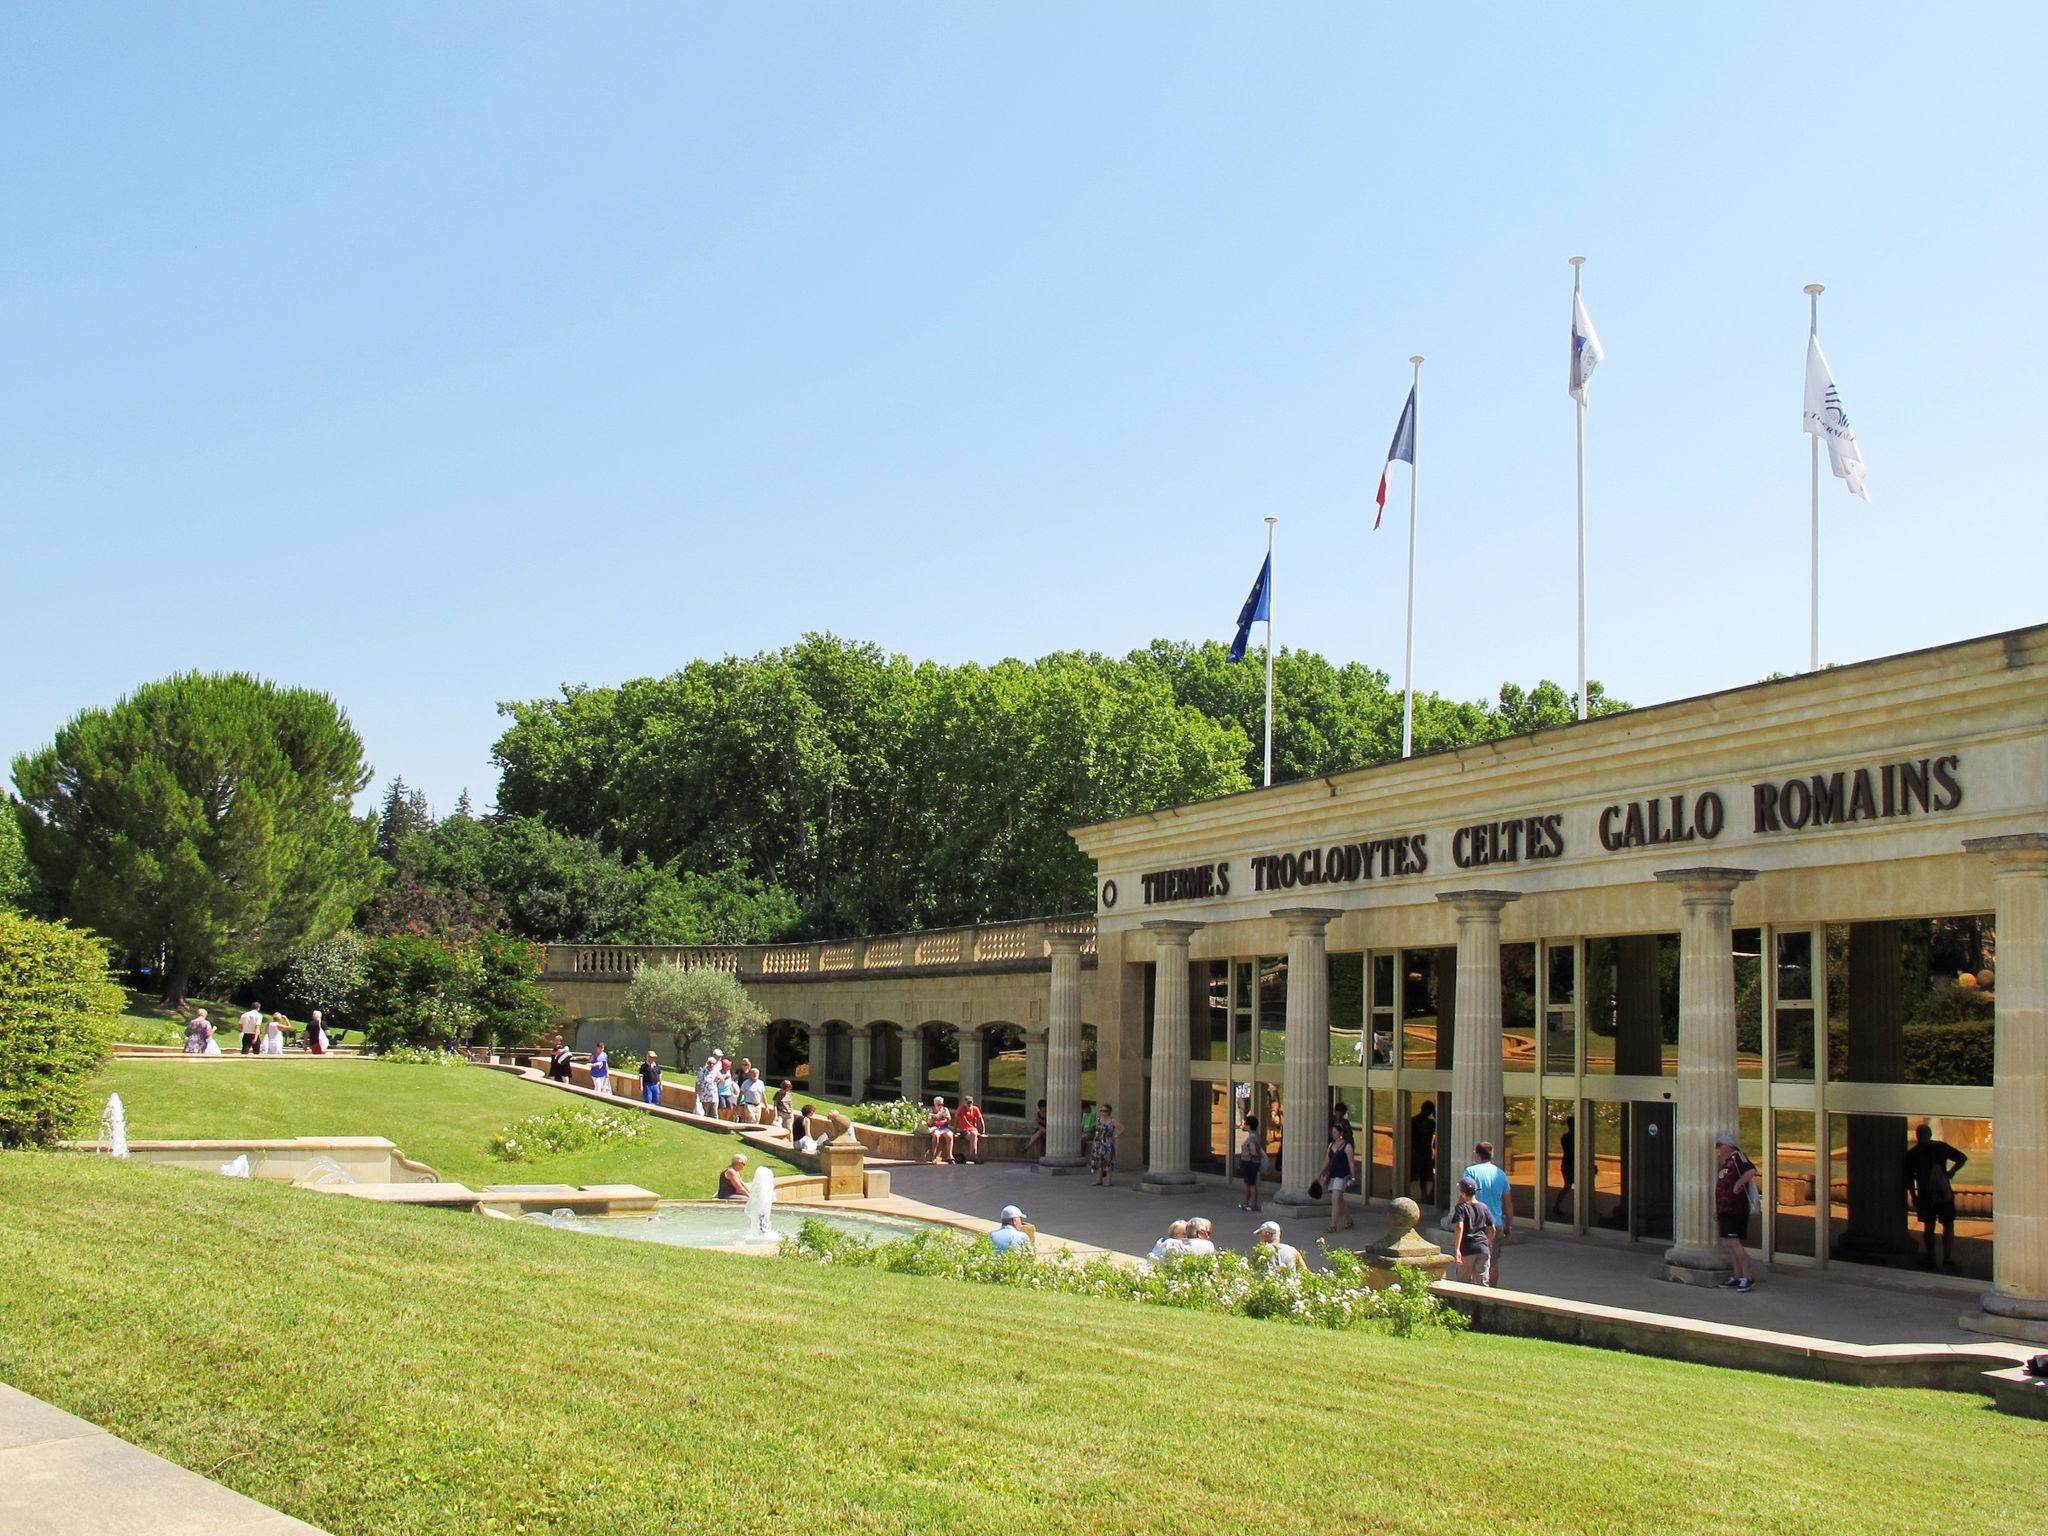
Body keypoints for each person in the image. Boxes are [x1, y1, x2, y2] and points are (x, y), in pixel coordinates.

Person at [1903, 1122, 1968, 1270]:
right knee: (1948, 1224)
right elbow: (1962, 1158)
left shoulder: (1912, 1154)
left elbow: (1908, 1178)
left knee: (1929, 1227)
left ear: (1917, 1136)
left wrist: (1914, 1195)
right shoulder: (1940, 1147)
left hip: (1925, 1195)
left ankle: (1932, 1259)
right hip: (1943, 1193)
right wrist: (1951, 1172)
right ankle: (1947, 1258)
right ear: (1930, 1135)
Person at [1460, 1141, 1513, 1286]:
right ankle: (1492, 1294)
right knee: (1492, 1262)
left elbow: (1463, 1196)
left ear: (1477, 1155)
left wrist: (1458, 1216)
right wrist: (1508, 1225)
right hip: (1495, 1224)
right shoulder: (1501, 1174)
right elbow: (1508, 1203)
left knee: (1470, 1260)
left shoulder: (1471, 1172)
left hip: (1473, 1224)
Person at [1713, 1131, 1759, 1291]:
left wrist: (1738, 1184)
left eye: (1719, 1145)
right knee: (1728, 1243)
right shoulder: (1725, 1164)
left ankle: (1748, 1276)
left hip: (1736, 1209)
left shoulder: (1738, 1157)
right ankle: (1737, 1275)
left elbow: (1751, 1170)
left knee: (1734, 1242)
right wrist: (1717, 1210)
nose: (1717, 1149)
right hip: (1725, 1209)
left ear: (1728, 1145)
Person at [1449, 1176, 1494, 1284]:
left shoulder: (1461, 1207)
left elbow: (1459, 1227)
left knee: (1463, 1282)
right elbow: (1492, 1228)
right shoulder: (1484, 1207)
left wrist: (1457, 1249)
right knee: (1482, 1282)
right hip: (1482, 1247)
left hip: (1467, 1248)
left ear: (1462, 1192)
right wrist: (1489, 1244)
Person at [1317, 1125, 1357, 1232]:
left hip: (1342, 1175)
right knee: (1340, 1199)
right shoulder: (1331, 1145)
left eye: (1335, 1132)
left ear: (1341, 1133)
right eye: (1332, 1132)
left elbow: (1351, 1162)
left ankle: (1333, 1225)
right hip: (1333, 1175)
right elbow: (1327, 1160)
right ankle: (1349, 1220)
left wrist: (1353, 1176)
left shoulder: (1347, 1146)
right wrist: (1321, 1173)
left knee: (1335, 1198)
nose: (1333, 1134)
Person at [1409, 1100, 1437, 1202]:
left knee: (1424, 1174)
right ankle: (1399, 1189)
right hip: (1417, 1151)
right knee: (1413, 1173)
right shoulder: (1414, 1121)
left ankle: (1424, 1194)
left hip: (1426, 1152)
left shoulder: (1431, 1123)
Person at [1550, 1114, 1576, 1219]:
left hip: (1566, 1164)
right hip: (1570, 1165)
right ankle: (1556, 1206)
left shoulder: (1565, 1137)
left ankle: (1557, 1206)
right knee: (1568, 1186)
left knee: (1567, 1186)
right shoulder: (1570, 1137)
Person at [1088, 1103, 1121, 1186]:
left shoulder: (1112, 1120)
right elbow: (1097, 1131)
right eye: (1102, 1110)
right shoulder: (1099, 1119)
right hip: (1098, 1143)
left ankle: (1108, 1180)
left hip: (1107, 1144)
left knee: (1107, 1161)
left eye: (1105, 1111)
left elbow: (1122, 1128)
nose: (1103, 1113)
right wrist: (1094, 1141)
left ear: (1109, 1112)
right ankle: (1099, 1179)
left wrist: (1115, 1136)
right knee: (1098, 1161)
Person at [1238, 1114, 1265, 1211]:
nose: (1244, 1126)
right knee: (1248, 1184)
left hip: (1249, 1163)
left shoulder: (1252, 1137)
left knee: (1250, 1184)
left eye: (1245, 1124)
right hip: (1250, 1163)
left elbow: (1253, 1151)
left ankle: (1252, 1204)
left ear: (1249, 1126)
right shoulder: (1254, 1136)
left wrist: (1258, 1156)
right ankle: (1247, 1203)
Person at [955, 1096, 986, 1163]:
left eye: (971, 1103)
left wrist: (983, 1131)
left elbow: (980, 1119)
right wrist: (955, 1131)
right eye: (968, 1103)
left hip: (973, 1129)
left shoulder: (975, 1109)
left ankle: (973, 1155)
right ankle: (974, 1155)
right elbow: (956, 1119)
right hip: (964, 1129)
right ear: (964, 1103)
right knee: (974, 1136)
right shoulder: (961, 1108)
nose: (969, 1105)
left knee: (974, 1134)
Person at [926, 1097, 955, 1164]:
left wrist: (948, 1118)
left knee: (950, 1135)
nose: (940, 1106)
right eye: (938, 1104)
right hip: (935, 1127)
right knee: (936, 1135)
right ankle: (934, 1156)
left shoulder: (945, 1109)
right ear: (935, 1104)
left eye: (941, 1104)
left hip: (944, 1127)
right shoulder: (931, 1110)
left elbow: (950, 1121)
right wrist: (934, 1118)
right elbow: (929, 1123)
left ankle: (950, 1156)